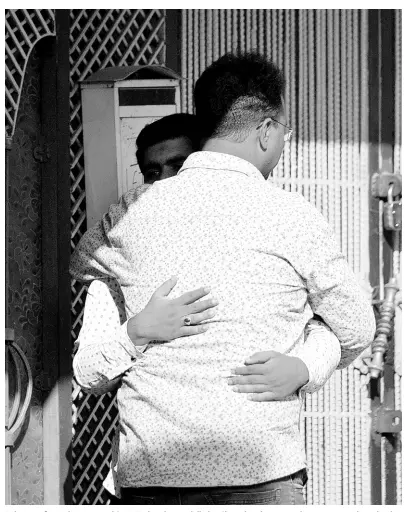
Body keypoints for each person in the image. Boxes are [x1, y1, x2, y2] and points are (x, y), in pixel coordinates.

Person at [71, 53, 375, 505]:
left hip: (154, 473)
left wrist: (137, 322)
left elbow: (80, 266)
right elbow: (356, 327)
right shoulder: (293, 216)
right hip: (262, 472)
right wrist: (307, 365)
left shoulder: (128, 214)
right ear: (267, 130)